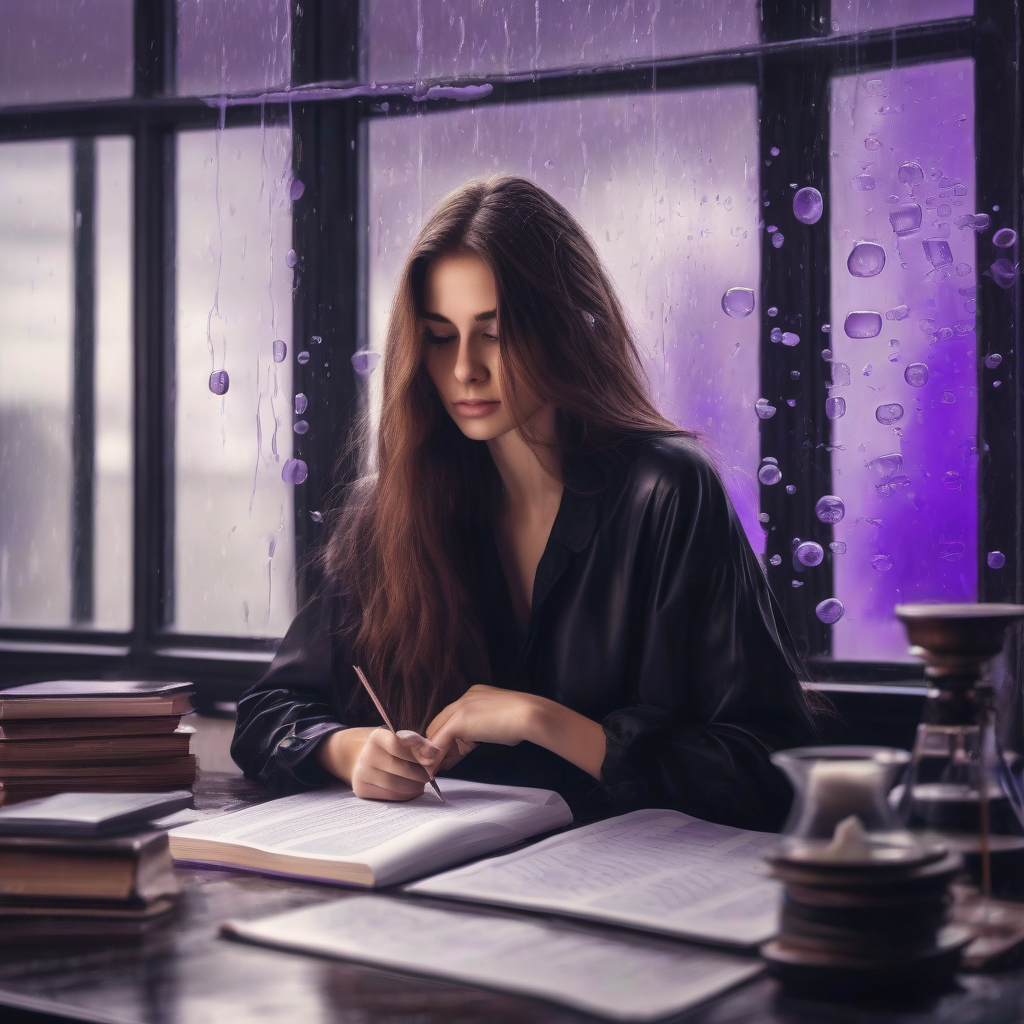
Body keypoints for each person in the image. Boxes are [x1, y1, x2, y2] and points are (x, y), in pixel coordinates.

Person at [231, 175, 818, 830]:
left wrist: (543, 722)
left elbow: (774, 768)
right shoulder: (386, 512)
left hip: (626, 897)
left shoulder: (668, 491)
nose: (464, 371)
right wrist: (350, 750)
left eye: (495, 332)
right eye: (439, 335)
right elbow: (267, 714)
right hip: (434, 891)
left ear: (567, 328)